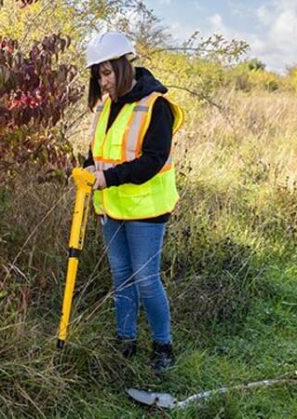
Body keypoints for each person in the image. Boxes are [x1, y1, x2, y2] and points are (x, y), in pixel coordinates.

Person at [80, 31, 184, 373]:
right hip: (110, 208)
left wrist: (107, 178)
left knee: (145, 280)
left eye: (107, 72)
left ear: (126, 66)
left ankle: (163, 345)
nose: (103, 81)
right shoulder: (106, 106)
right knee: (120, 277)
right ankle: (125, 340)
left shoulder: (156, 106)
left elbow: (153, 159)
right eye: (99, 75)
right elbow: (96, 151)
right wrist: (86, 169)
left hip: (146, 209)